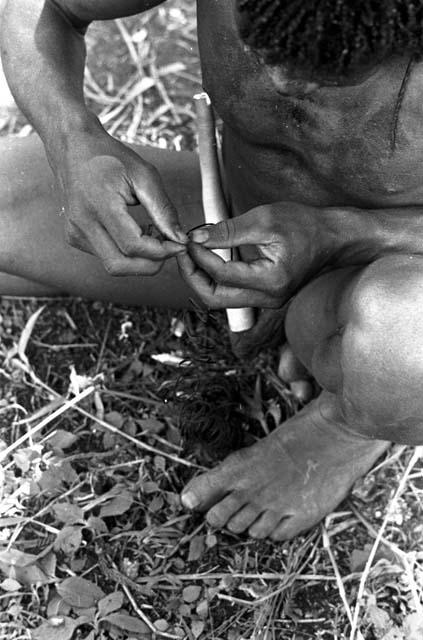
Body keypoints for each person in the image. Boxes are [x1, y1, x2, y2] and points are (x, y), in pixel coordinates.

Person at [1, 0, 423, 542]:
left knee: (405, 344)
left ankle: (343, 430)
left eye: (331, 72)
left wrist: (341, 236)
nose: (278, 77)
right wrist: (74, 145)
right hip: (228, 232)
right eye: (263, 43)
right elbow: (41, 9)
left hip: (395, 272)